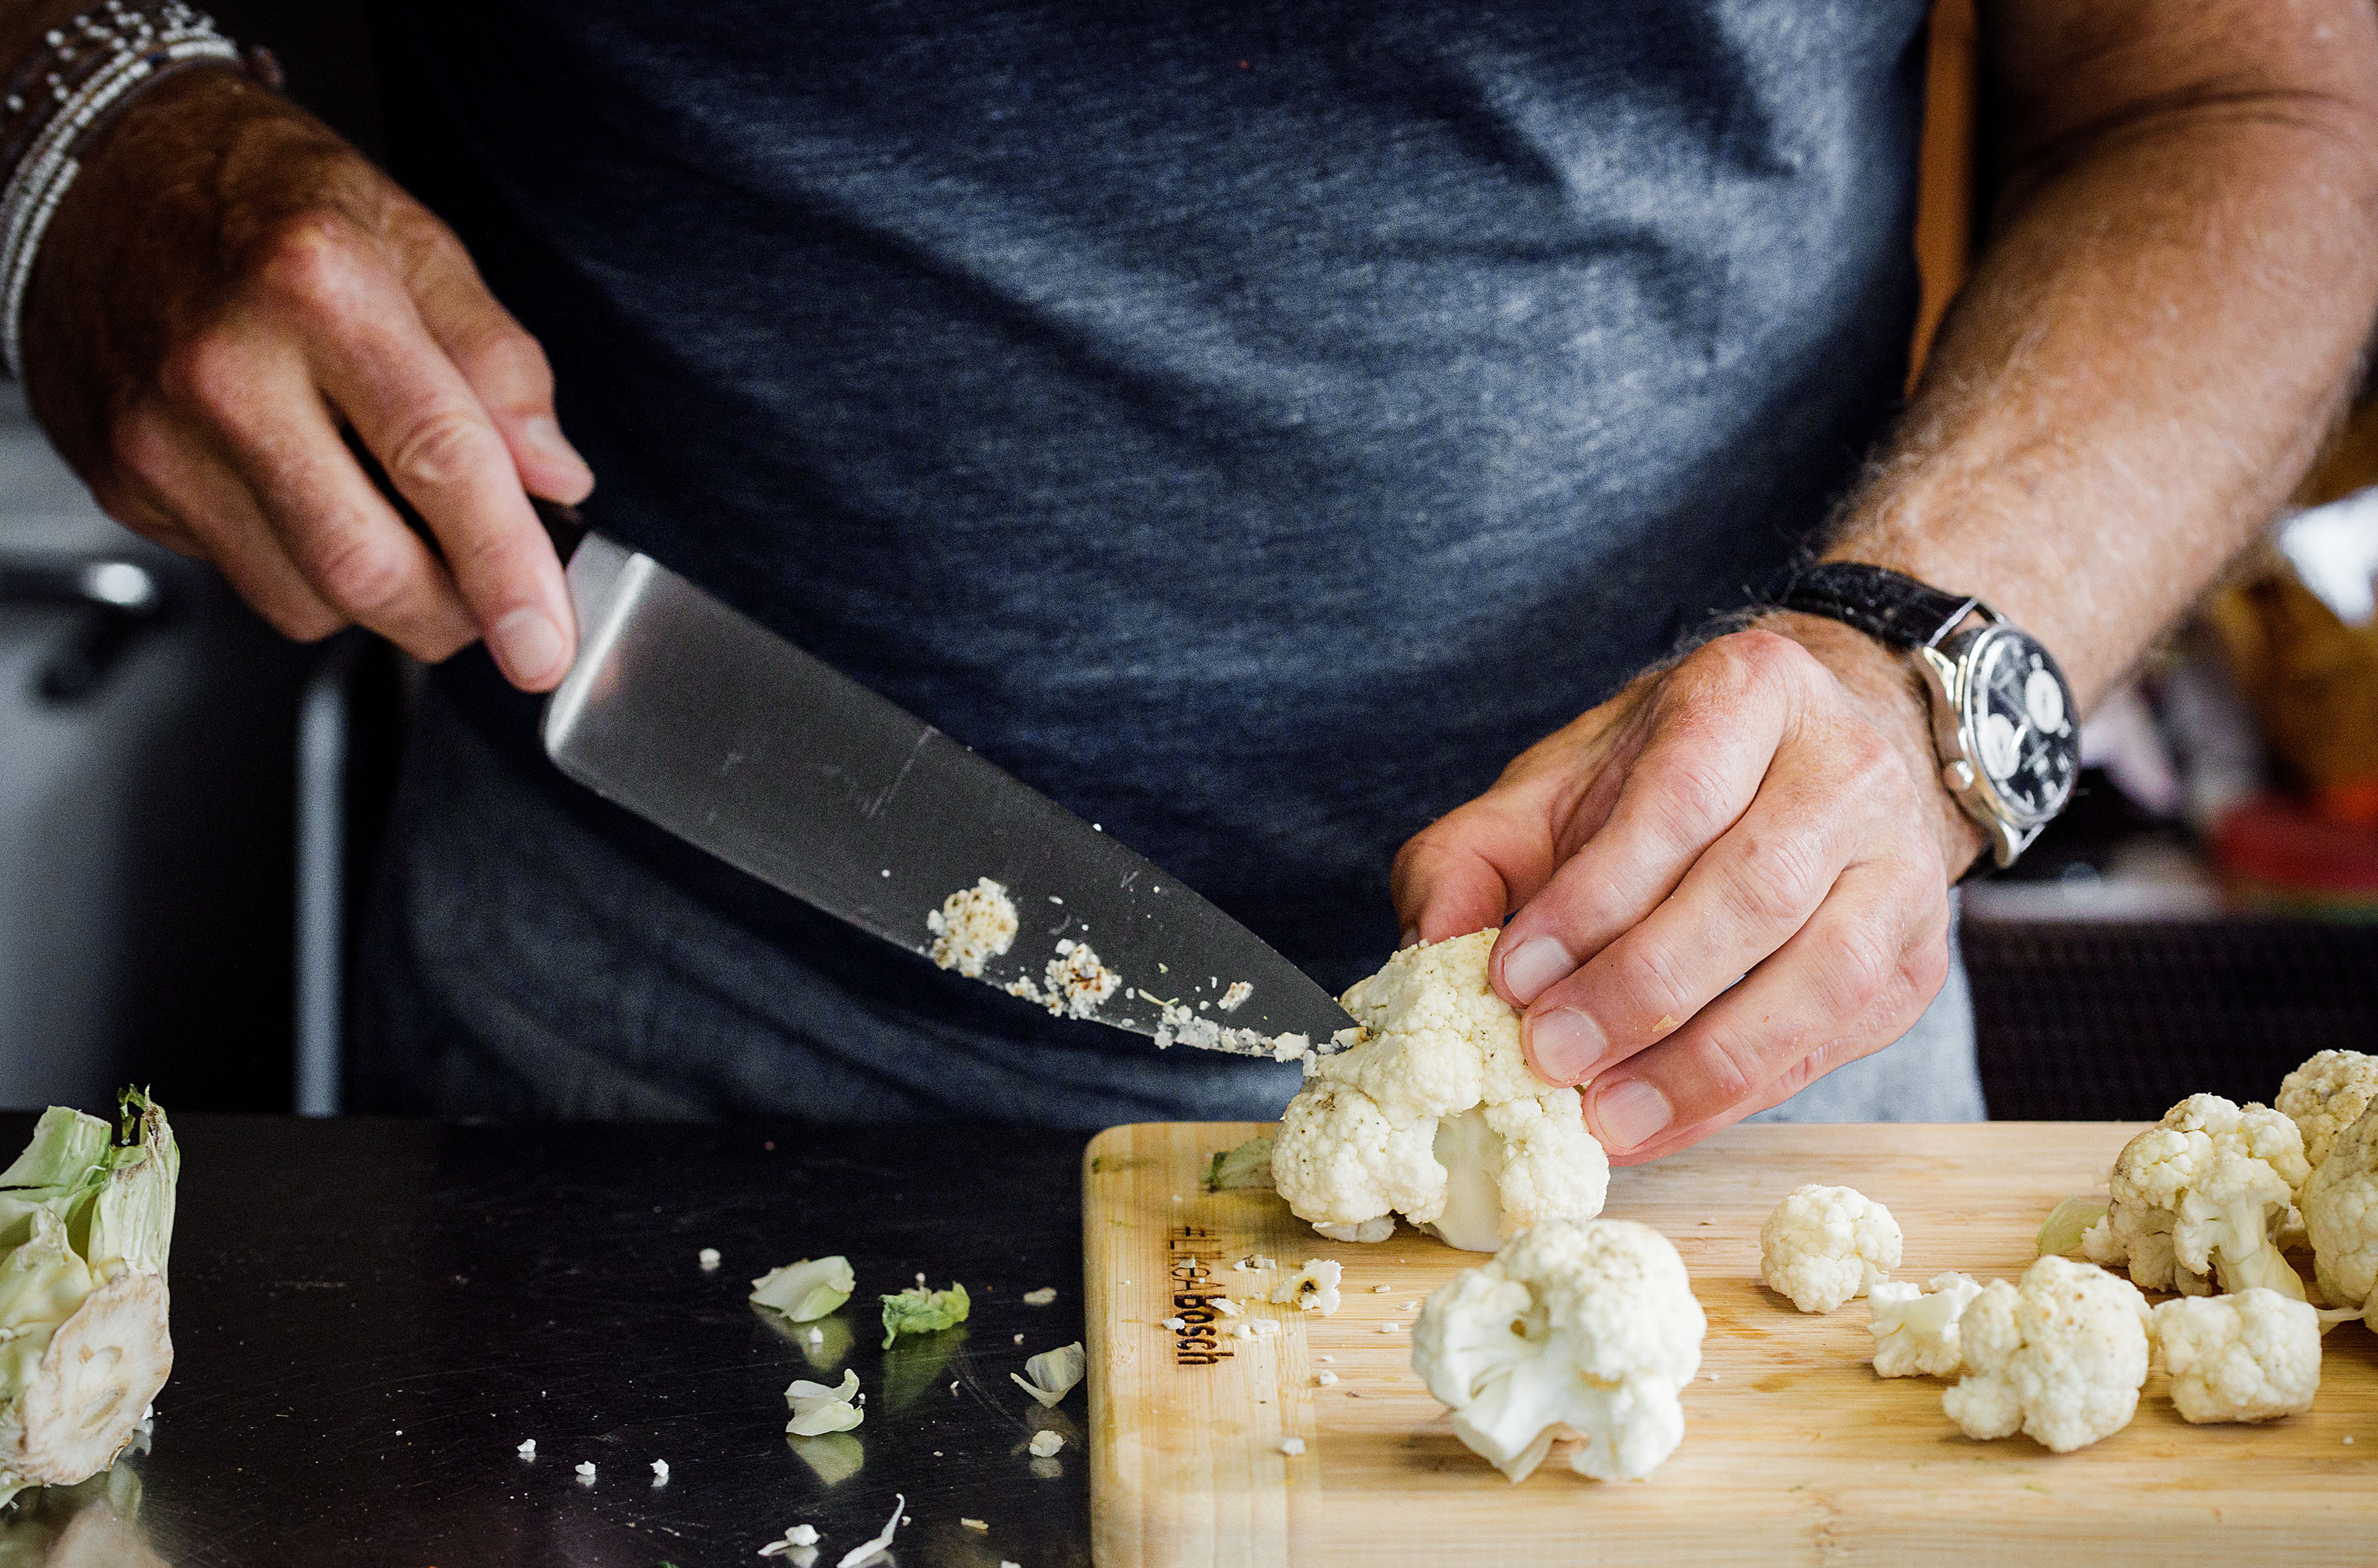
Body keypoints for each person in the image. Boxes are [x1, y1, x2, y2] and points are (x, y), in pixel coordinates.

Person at [5, 1, 2373, 1151]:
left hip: (1709, 1074)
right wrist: (80, 125)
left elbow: (2266, 96)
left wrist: (1927, 670)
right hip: (632, 1058)